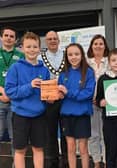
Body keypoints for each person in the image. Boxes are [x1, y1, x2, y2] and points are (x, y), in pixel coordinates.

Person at [4, 32, 50, 168]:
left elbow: (47, 94)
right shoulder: (15, 68)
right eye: (28, 46)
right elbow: (10, 92)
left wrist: (53, 95)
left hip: (39, 115)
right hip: (20, 116)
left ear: (39, 49)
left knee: (39, 149)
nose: (31, 50)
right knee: (20, 150)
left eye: (35, 47)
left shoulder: (44, 70)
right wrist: (29, 86)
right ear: (22, 48)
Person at [58, 43, 96, 168]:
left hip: (82, 114)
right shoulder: (63, 74)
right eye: (70, 54)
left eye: (76, 54)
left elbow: (87, 94)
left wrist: (68, 92)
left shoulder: (89, 72)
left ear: (82, 55)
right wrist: (58, 95)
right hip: (67, 115)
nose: (73, 57)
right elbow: (60, 94)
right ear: (66, 57)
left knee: (83, 147)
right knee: (70, 147)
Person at [38, 30, 68, 168]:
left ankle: (66, 160)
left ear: (59, 40)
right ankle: (53, 160)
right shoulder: (40, 57)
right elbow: (39, 77)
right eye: (49, 39)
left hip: (64, 98)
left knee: (65, 131)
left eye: (55, 38)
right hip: (49, 99)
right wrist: (46, 95)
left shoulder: (66, 55)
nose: (52, 41)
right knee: (50, 131)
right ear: (46, 41)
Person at [87, 34, 109, 168]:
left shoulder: (110, 61)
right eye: (95, 44)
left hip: (107, 104)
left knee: (106, 134)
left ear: (105, 46)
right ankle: (96, 162)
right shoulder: (86, 62)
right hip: (90, 103)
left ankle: (106, 161)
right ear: (91, 46)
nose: (98, 46)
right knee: (93, 135)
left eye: (101, 43)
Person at [0, 26, 24, 141]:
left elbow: (24, 78)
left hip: (15, 101)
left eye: (11, 36)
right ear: (1, 37)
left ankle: (16, 160)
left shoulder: (21, 56)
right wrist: (2, 91)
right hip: (0, 98)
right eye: (6, 35)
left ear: (15, 40)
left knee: (15, 136)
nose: (9, 38)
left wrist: (11, 94)